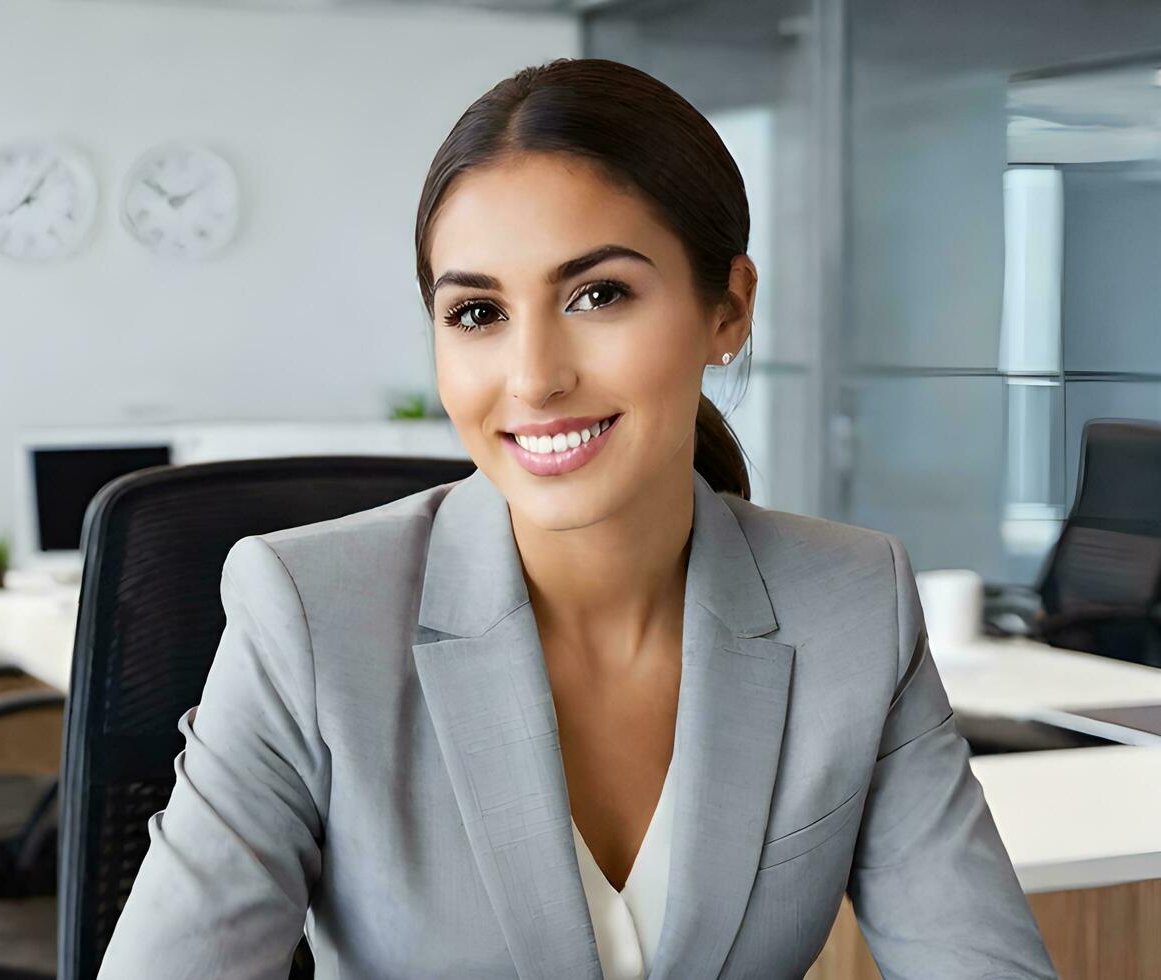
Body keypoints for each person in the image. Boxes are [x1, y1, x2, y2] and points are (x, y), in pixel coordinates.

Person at [99, 57, 1058, 979]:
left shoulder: (852, 605)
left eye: (599, 295)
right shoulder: (308, 617)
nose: (534, 377)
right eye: (477, 313)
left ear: (728, 309)